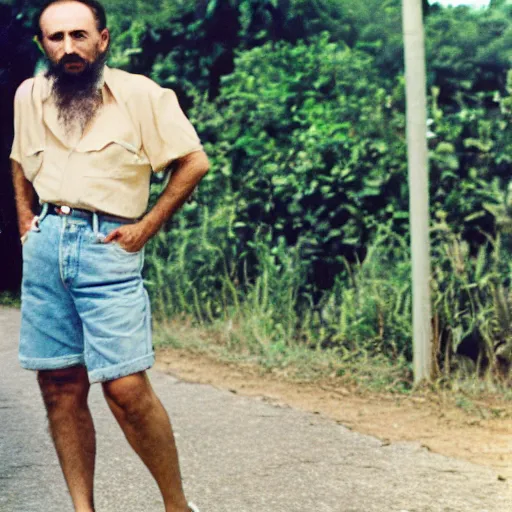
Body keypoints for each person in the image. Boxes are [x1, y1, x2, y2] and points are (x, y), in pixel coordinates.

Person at [10, 1, 209, 511]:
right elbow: (17, 159)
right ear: (42, 45)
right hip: (47, 246)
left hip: (108, 246)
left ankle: (176, 506)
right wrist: (26, 222)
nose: (68, 47)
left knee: (125, 388)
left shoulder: (141, 95)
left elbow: (193, 161)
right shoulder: (29, 94)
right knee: (59, 385)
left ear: (103, 38)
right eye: (56, 38)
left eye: (80, 35)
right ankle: (84, 509)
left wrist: (146, 226)